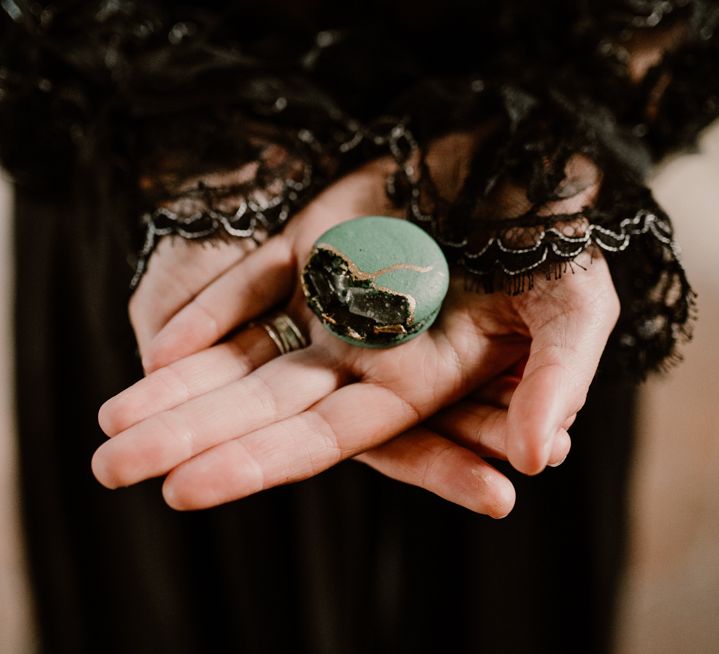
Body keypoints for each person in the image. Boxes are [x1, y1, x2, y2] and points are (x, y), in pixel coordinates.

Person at [1, 1, 715, 652]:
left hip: (500, 244)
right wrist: (178, 142)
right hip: (147, 177)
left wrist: (550, 149)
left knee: (497, 587)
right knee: (171, 589)